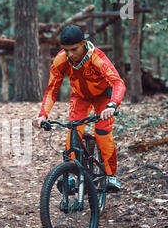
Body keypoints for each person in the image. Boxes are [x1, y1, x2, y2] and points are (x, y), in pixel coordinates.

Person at [33, 25, 126, 192]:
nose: (69, 54)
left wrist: (112, 104)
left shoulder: (97, 58)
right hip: (80, 97)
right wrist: (42, 115)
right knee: (74, 131)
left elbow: (118, 82)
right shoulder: (61, 60)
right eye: (66, 50)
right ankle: (70, 174)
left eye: (74, 49)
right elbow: (52, 89)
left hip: (103, 97)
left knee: (102, 131)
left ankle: (111, 176)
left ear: (83, 43)